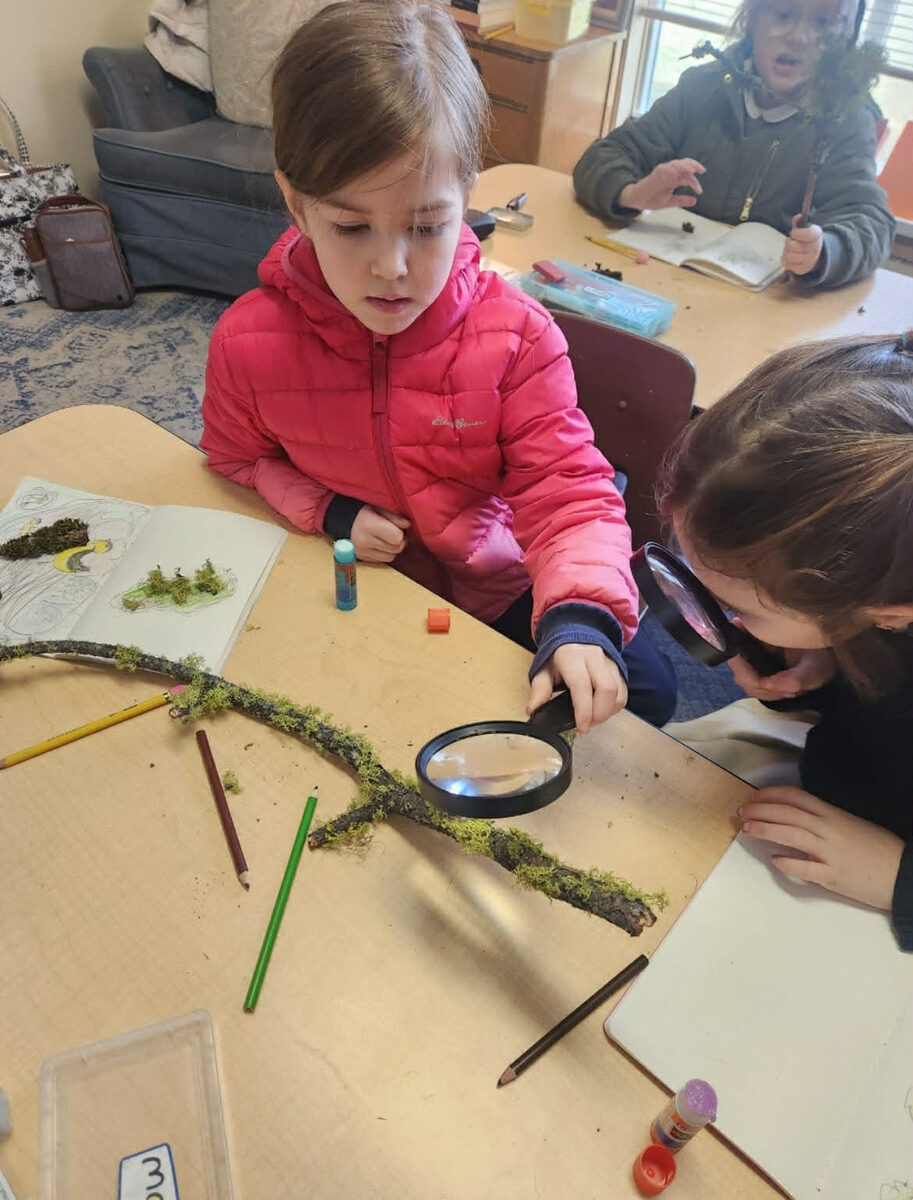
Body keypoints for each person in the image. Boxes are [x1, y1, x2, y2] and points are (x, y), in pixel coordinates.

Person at [200, 0, 676, 733]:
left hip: (495, 581)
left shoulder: (517, 335)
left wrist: (580, 615)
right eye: (351, 226)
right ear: (296, 203)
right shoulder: (246, 341)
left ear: (466, 196)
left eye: (426, 226)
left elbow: (566, 488)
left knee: (643, 691)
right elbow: (234, 458)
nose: (391, 267)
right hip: (354, 578)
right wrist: (328, 511)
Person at [656, 333, 913, 950]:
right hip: (827, 798)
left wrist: (898, 879)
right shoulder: (884, 577)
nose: (728, 621)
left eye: (742, 610)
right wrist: (823, 672)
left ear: (888, 614)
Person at [573, 0, 894, 289]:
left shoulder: (846, 121)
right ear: (752, 19)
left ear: (846, 41)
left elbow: (871, 223)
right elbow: (604, 155)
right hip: (662, 279)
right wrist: (631, 193)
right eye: (783, 15)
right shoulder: (703, 87)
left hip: (767, 306)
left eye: (823, 23)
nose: (798, 37)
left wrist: (825, 251)